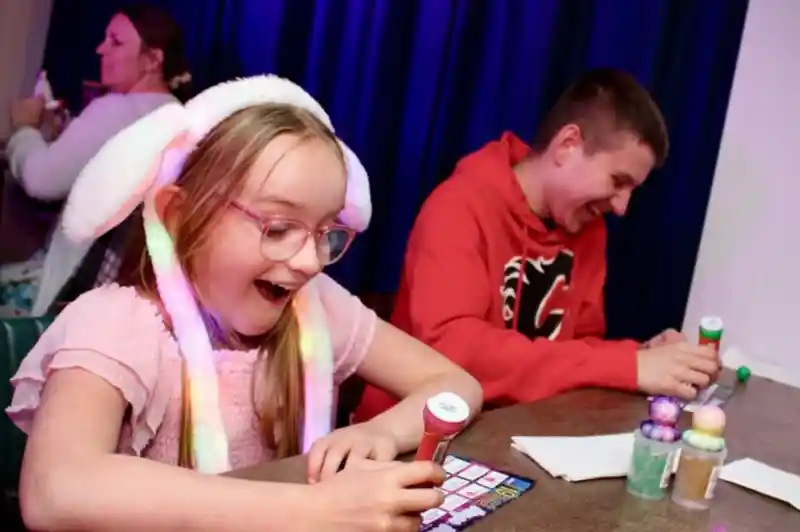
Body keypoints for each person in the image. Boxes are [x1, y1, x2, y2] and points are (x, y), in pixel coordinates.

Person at [6, 75, 483, 531]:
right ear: (177, 215)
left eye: (326, 234)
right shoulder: (116, 323)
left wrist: (378, 433)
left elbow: (455, 385)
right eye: (277, 229)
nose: (309, 262)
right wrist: (311, 512)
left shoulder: (314, 309)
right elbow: (56, 489)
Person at [354, 68, 719, 422]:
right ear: (567, 145)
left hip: (516, 433)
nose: (622, 207)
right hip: (412, 434)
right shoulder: (459, 206)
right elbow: (454, 350)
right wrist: (626, 366)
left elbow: (578, 352)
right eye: (617, 181)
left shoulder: (587, 227)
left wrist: (638, 356)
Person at [1, 3, 192, 317]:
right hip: (118, 300)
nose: (100, 48)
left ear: (152, 60)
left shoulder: (119, 110)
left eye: (115, 42)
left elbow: (40, 180)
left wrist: (24, 128)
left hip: (65, 293)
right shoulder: (177, 117)